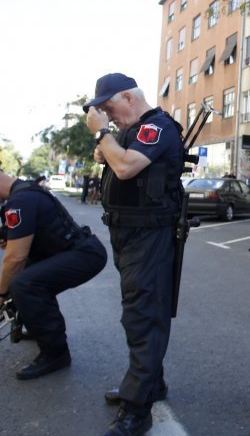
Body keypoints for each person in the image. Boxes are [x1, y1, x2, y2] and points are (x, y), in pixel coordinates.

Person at [84, 73, 184, 436]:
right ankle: (150, 384)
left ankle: (137, 409)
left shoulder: (156, 126)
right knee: (136, 314)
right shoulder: (132, 130)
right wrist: (106, 144)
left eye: (110, 107)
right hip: (127, 233)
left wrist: (102, 136)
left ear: (128, 96)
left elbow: (126, 167)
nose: (108, 116)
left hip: (149, 234)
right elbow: (113, 158)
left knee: (144, 316)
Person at [0, 170, 107, 380]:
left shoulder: (21, 200)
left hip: (85, 254)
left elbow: (15, 258)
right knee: (27, 277)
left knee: (24, 282)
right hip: (75, 251)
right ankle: (36, 326)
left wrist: (1, 294)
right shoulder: (25, 191)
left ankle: (55, 353)